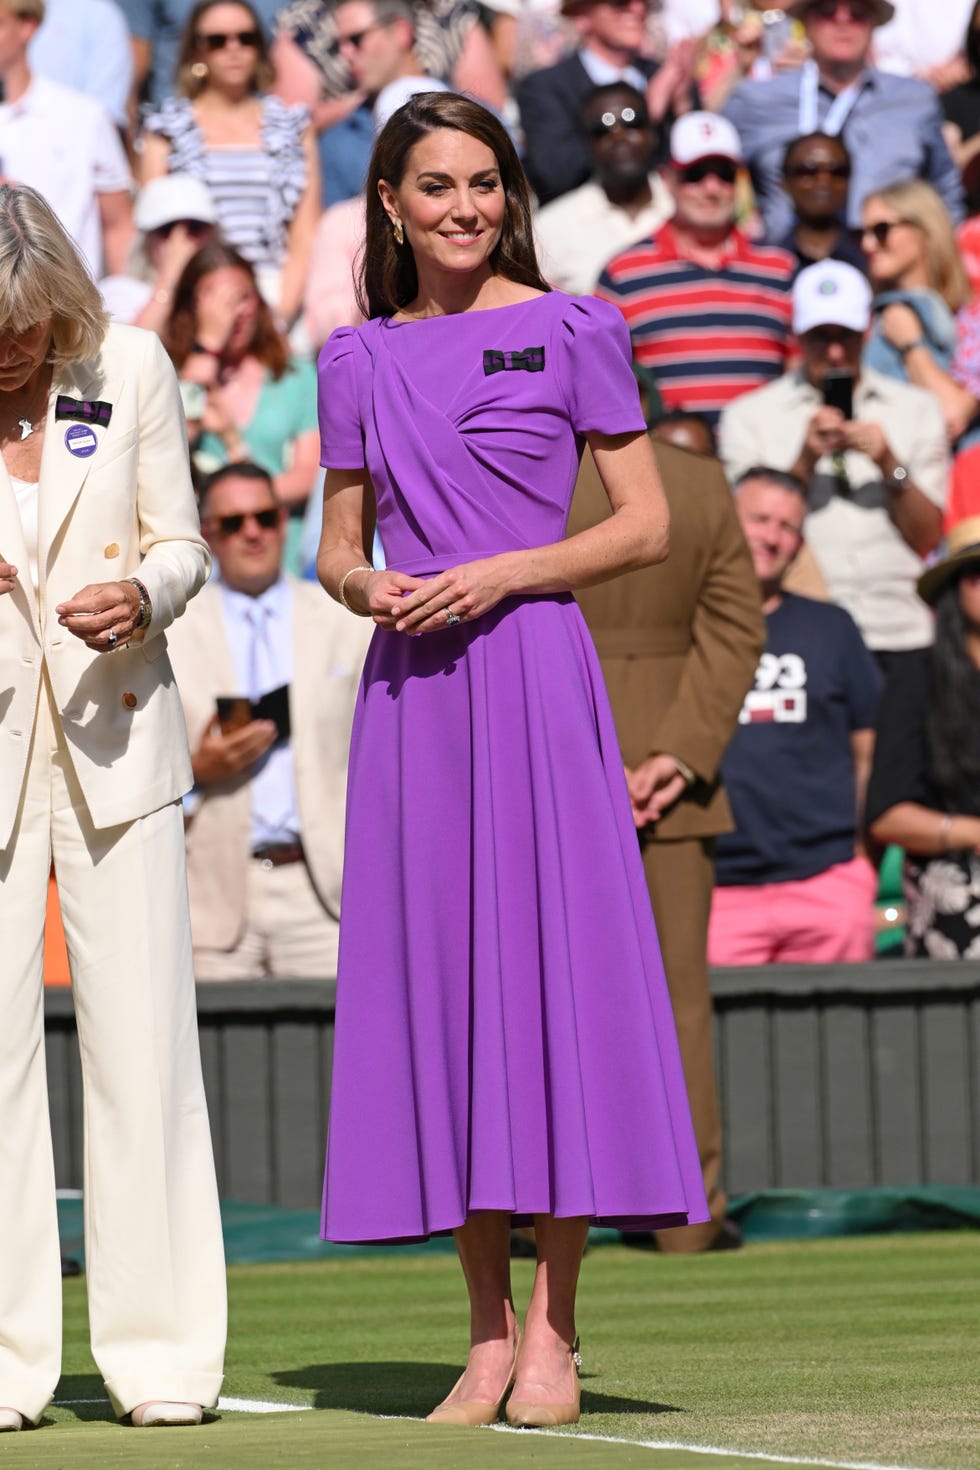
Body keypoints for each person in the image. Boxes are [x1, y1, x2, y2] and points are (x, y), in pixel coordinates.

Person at [316, 91, 706, 1429]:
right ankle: (482, 1335)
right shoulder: (356, 358)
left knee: (553, 988)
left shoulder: (578, 323)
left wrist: (496, 576)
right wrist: (373, 591)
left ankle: (558, 1329)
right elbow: (336, 545)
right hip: (416, 692)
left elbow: (644, 525)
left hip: (538, 678)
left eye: (483, 182)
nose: (464, 207)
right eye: (436, 187)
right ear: (392, 205)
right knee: (449, 996)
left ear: (510, 193)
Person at [0, 183, 225, 1431]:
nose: (12, 349)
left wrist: (140, 597)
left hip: (116, 739)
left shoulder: (126, 364)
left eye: (27, 324)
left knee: (144, 1055)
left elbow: (181, 543)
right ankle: (5, 1364)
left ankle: (165, 1361)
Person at [568, 418, 764, 1252]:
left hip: (548, 752)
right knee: (677, 1007)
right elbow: (735, 631)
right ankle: (689, 1219)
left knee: (539, 998)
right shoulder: (698, 480)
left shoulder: (519, 470)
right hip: (671, 782)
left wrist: (586, 752)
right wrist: (677, 757)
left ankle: (535, 1218)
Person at [165, 463, 371, 980]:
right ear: (207, 534)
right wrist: (194, 772)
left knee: (340, 1057)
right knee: (215, 1059)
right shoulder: (168, 634)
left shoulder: (349, 621)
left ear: (284, 520)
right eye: (233, 523)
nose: (252, 532)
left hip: (326, 892)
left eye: (265, 517)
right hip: (209, 894)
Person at [718, 259, 948, 668]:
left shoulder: (917, 410)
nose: (835, 351)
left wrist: (889, 462)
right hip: (797, 630)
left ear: (868, 331)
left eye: (846, 336)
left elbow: (928, 536)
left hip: (898, 626)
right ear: (797, 336)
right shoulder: (748, 416)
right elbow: (744, 539)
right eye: (820, 337)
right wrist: (804, 461)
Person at [708, 468, 881, 964]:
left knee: (845, 1038)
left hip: (828, 882)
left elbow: (868, 748)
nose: (772, 536)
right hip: (718, 891)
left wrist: (861, 860)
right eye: (759, 519)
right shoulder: (686, 625)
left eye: (787, 527)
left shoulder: (832, 627)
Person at [598, 111, 795, 427]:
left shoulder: (780, 270)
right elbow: (603, 384)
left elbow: (798, 376)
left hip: (762, 463)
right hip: (671, 463)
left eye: (725, 174)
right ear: (666, 179)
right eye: (696, 174)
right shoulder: (623, 274)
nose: (711, 187)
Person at [723, 0, 964, 245]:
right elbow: (704, 159)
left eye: (858, 15)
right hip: (785, 269)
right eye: (827, 13)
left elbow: (946, 191)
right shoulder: (758, 99)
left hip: (884, 270)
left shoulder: (914, 99)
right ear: (806, 22)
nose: (843, 21)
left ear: (873, 24)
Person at [140, 0, 319, 325]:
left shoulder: (293, 128)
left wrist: (278, 316)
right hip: (193, 296)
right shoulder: (166, 129)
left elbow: (304, 235)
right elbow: (157, 239)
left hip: (275, 292)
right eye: (217, 40)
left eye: (246, 38)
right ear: (197, 51)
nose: (233, 49)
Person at [164, 242, 320, 568]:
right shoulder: (170, 375)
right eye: (218, 301)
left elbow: (308, 475)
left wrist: (235, 504)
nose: (234, 312)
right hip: (201, 562)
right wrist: (207, 347)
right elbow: (169, 449)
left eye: (242, 297)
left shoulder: (295, 376)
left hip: (278, 555)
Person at [866, 516, 980, 958]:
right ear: (954, 588)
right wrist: (971, 831)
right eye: (977, 573)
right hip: (954, 899)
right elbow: (886, 815)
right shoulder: (916, 678)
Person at [515, 0, 698, 207]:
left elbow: (701, 170)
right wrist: (644, 113)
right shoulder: (545, 87)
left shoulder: (667, 76)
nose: (637, 9)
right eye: (620, 3)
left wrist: (683, 109)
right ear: (581, 16)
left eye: (644, 2)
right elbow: (557, 174)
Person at [0, 0, 133, 279]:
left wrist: (119, 303)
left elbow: (119, 226)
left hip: (66, 309)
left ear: (27, 26)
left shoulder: (84, 117)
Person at [860, 178, 976, 444]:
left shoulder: (972, 318)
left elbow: (951, 415)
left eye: (881, 230)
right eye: (861, 233)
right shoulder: (865, 316)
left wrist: (912, 345)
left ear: (925, 230)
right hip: (893, 474)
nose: (867, 244)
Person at [533, 82, 673, 295]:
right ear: (585, 144)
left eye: (632, 122)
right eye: (602, 130)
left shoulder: (687, 210)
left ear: (652, 132)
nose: (619, 137)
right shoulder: (548, 230)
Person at [100, 173, 220, 333]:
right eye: (166, 229)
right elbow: (134, 352)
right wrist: (169, 278)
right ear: (146, 240)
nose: (181, 242)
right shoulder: (120, 292)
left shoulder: (232, 288)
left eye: (195, 227)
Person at [777, 130, 868, 275]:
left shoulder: (870, 259)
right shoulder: (764, 262)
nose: (824, 182)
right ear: (784, 183)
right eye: (809, 171)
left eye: (838, 172)